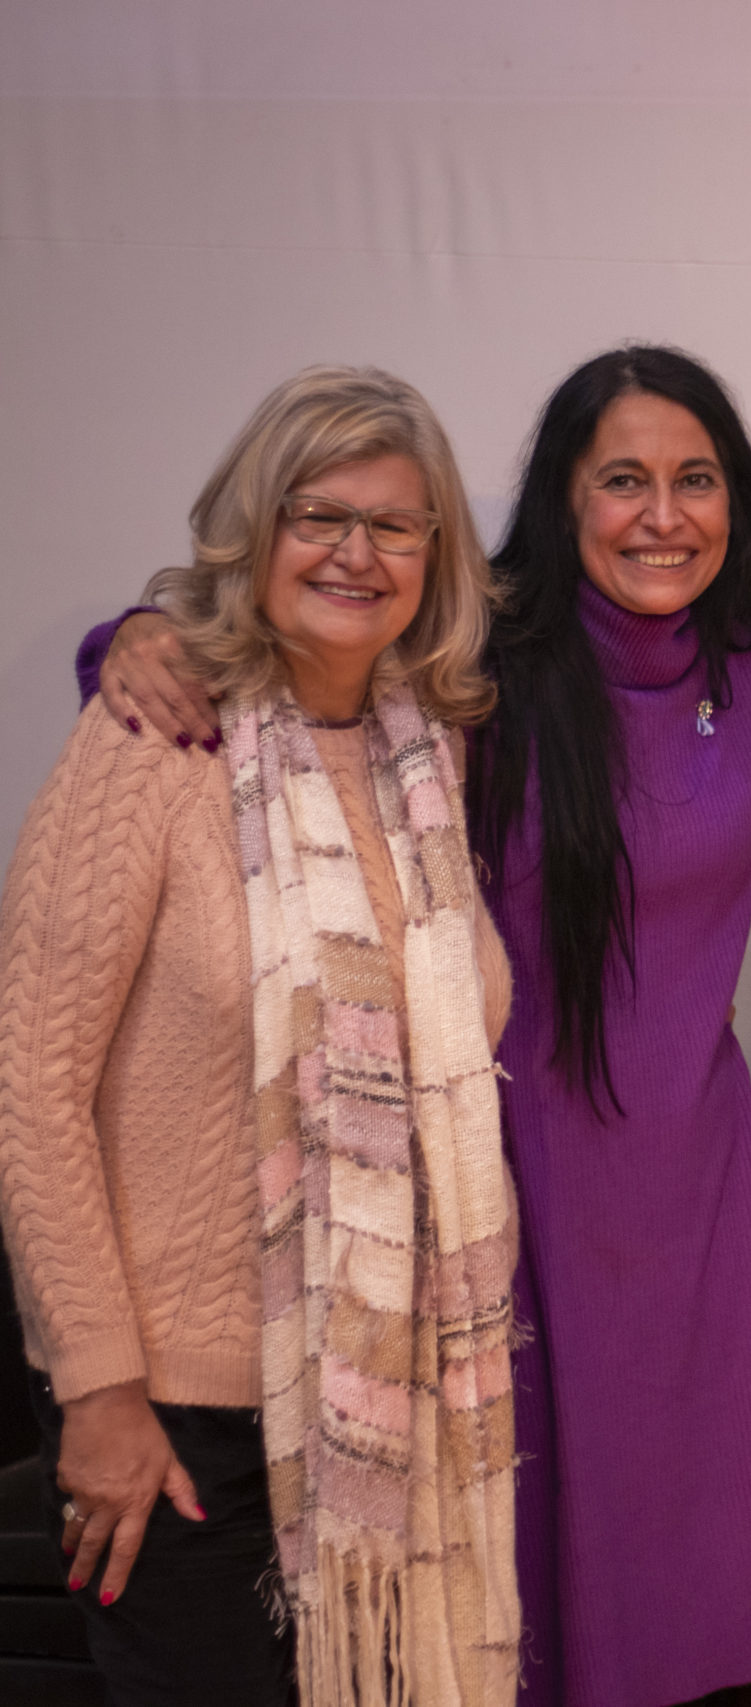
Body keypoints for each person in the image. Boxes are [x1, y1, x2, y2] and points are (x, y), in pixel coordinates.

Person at [81, 346, 751, 1707]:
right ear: (565, 496)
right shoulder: (467, 661)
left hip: (691, 1181)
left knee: (678, 1587)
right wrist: (131, 638)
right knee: (505, 1575)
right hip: (499, 1185)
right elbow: (279, 667)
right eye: (623, 480)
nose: (663, 516)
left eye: (696, 480)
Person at [0, 365, 518, 1706]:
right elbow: (31, 1090)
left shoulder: (430, 754)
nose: (355, 553)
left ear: (436, 555)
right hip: (177, 1418)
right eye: (316, 514)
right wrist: (98, 1392)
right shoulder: (149, 741)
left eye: (393, 525)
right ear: (255, 528)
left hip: (393, 1399)